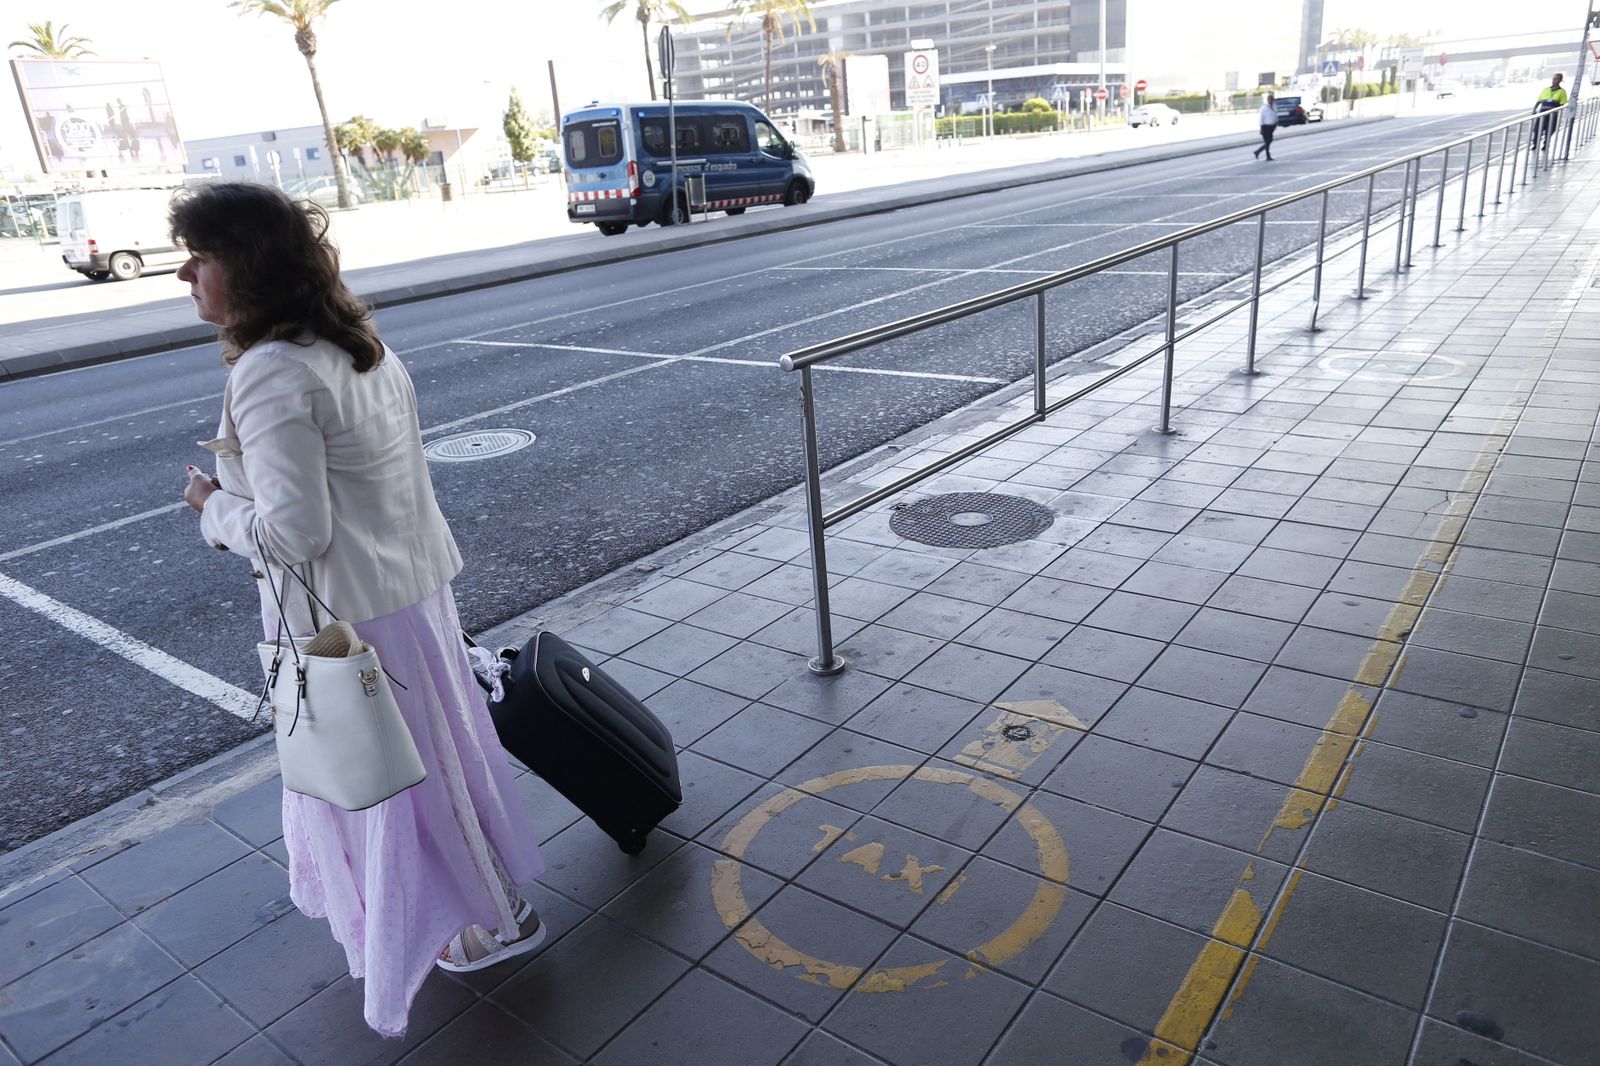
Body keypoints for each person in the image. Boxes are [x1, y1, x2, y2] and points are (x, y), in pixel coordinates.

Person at [173, 183, 545, 1038]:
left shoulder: (270, 369)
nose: (186, 271)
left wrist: (211, 510)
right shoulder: (354, 341)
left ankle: (471, 929)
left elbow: (295, 530)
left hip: (349, 619)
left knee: (379, 786)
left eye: (203, 254)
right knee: (438, 765)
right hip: (410, 594)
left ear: (250, 265)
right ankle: (495, 911)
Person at [1533, 73, 1567, 150]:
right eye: (1553, 78)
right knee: (1537, 129)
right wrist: (1534, 109)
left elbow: (1562, 103)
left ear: (1560, 80)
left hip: (1552, 114)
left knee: (1550, 130)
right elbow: (1539, 101)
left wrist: (1556, 111)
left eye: (1556, 79)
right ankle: (1535, 144)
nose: (1554, 80)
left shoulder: (1562, 91)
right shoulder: (1546, 89)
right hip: (1542, 112)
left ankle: (1546, 144)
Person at [1254, 92, 1277, 161]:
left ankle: (1257, 152)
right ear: (1268, 100)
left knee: (1269, 141)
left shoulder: (1274, 106)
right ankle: (1267, 155)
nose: (1272, 101)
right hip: (1265, 126)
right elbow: (1261, 118)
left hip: (1272, 126)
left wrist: (1276, 123)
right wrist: (1261, 127)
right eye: (1270, 100)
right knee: (1268, 141)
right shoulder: (1264, 108)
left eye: (1272, 100)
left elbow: (1275, 115)